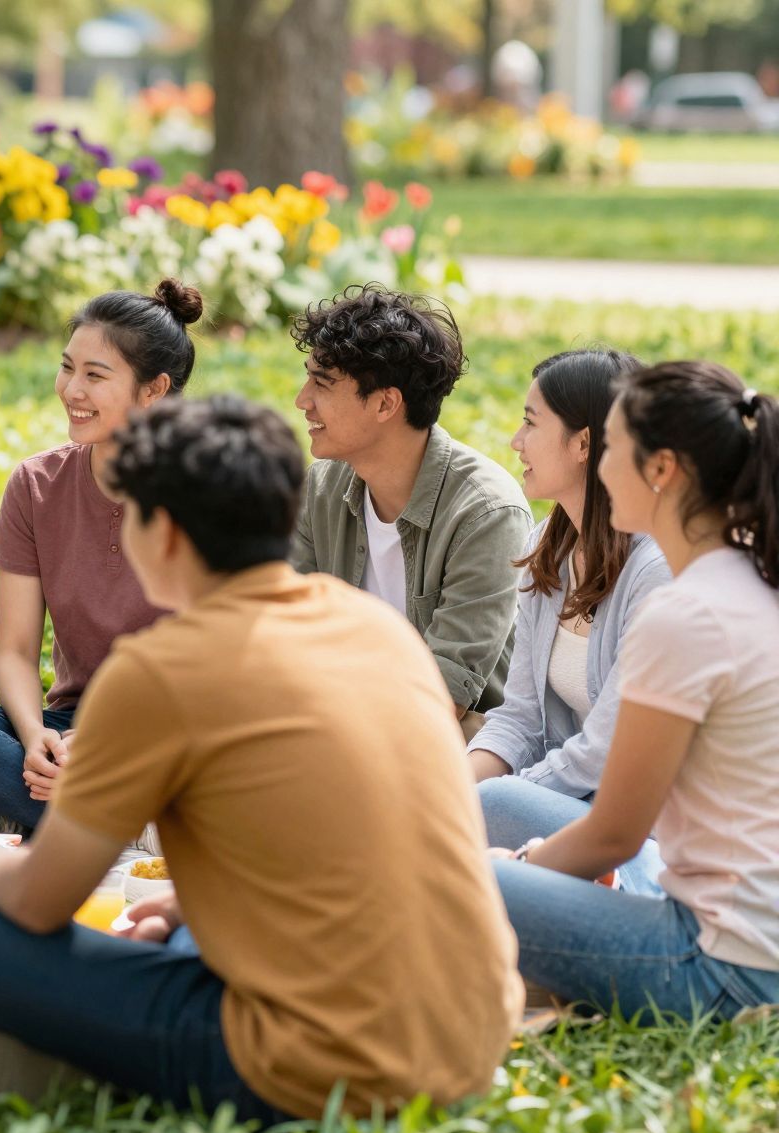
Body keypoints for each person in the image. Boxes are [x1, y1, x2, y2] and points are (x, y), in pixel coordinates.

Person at [0, 396, 522, 1119]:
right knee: (169, 937)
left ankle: (89, 1071)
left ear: (165, 532)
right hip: (472, 1041)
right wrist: (197, 904)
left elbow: (39, 900)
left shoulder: (157, 672)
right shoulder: (372, 625)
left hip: (322, 1073)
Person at [491, 362, 779, 1020]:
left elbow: (614, 834)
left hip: (724, 964)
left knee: (459, 879)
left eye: (613, 446)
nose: (601, 462)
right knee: (496, 813)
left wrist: (525, 860)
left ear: (662, 469)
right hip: (710, 906)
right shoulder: (747, 572)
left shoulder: (682, 612)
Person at [0, 281, 199, 835]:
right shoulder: (36, 485)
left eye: (95, 375)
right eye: (68, 368)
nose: (71, 389)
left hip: (167, 727)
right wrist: (35, 736)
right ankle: (112, 816)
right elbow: (15, 653)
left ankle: (39, 810)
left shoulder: (206, 485)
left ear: (154, 388)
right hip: (68, 726)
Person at [468, 351, 671, 884]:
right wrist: (451, 788)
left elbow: (604, 754)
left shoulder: (656, 570)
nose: (515, 440)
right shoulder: (546, 548)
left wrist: (484, 801)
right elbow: (519, 719)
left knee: (481, 809)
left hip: (641, 833)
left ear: (583, 443)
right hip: (568, 801)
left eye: (531, 424)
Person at [291, 284, 532, 729]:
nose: (302, 401)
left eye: (321, 383)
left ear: (386, 403)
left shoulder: (486, 513)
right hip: (335, 722)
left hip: (451, 747)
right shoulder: (321, 489)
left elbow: (444, 696)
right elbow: (287, 637)